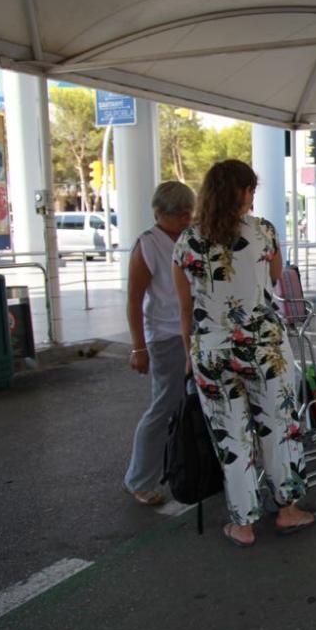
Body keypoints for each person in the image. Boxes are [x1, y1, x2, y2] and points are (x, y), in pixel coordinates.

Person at [173, 160, 314, 547]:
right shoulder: (263, 231)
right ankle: (287, 510)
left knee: (231, 438)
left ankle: (243, 524)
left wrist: (189, 355)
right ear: (245, 192)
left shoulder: (186, 241)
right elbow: (274, 279)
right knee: (279, 427)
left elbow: (185, 308)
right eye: (251, 189)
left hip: (211, 351)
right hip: (264, 348)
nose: (253, 197)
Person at [124, 181, 196, 506]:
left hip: (196, 332)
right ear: (158, 213)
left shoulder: (192, 236)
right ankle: (140, 479)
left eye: (187, 213)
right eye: (177, 215)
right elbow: (134, 300)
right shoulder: (147, 245)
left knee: (198, 405)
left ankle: (198, 468)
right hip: (167, 337)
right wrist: (139, 348)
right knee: (164, 407)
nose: (184, 219)